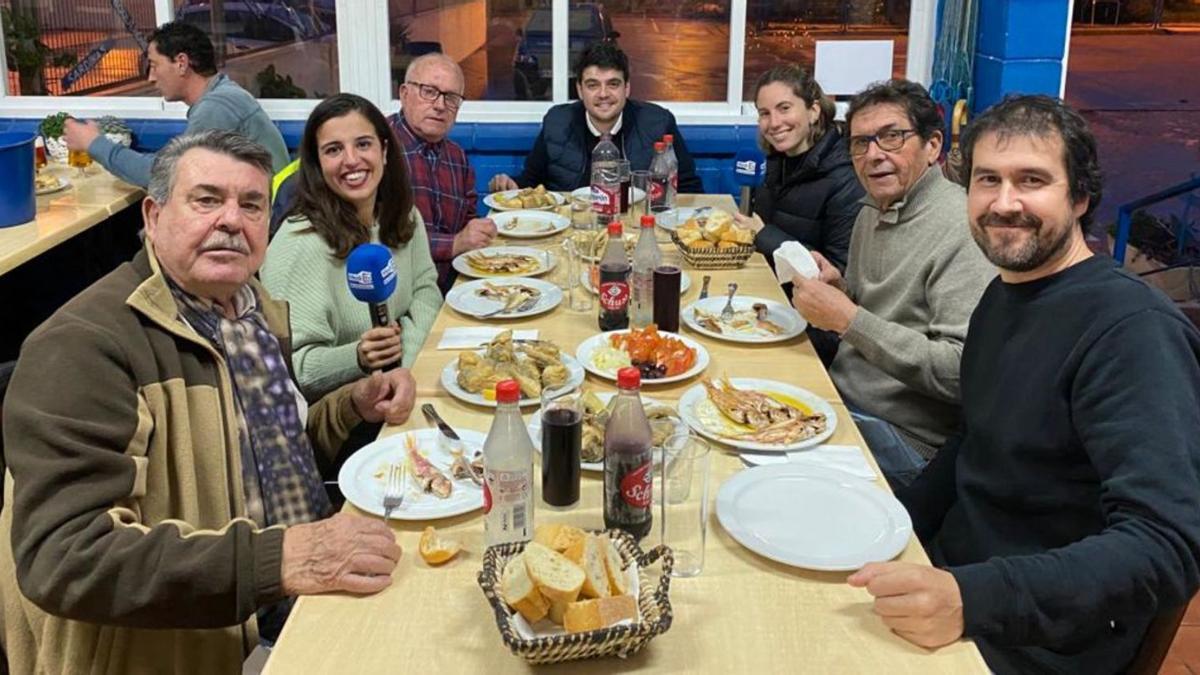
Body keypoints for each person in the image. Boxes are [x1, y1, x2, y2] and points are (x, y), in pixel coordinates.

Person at [0, 130, 414, 674]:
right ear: (152, 215)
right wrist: (284, 559)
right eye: (206, 199)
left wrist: (349, 406)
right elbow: (64, 558)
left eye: (250, 205)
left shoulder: (254, 309)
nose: (230, 220)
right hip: (189, 647)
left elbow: (265, 455)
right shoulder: (84, 344)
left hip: (299, 602)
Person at [849, 95, 1200, 675]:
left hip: (1035, 638)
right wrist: (892, 525)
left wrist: (972, 599)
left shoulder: (1132, 333)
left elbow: (1165, 547)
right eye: (988, 180)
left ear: (1080, 196)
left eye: (1031, 180)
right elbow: (974, 439)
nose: (1003, 203)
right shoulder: (1004, 292)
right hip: (949, 577)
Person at [789, 79, 993, 488]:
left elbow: (960, 373)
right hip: (843, 401)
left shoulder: (962, 228)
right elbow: (881, 314)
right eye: (861, 143)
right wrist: (841, 291)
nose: (874, 155)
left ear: (932, 146)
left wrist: (847, 318)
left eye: (892, 137)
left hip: (904, 441)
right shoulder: (872, 209)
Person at [262, 94, 442, 402]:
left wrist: (404, 368)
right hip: (340, 417)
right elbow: (294, 371)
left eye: (363, 144)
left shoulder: (404, 215)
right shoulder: (298, 245)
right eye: (334, 150)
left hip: (403, 386)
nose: (351, 160)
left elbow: (426, 290)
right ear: (317, 163)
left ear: (384, 151)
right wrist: (358, 357)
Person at [62, 21, 290, 188]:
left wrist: (93, 143)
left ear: (181, 63)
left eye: (153, 65)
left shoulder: (216, 108)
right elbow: (171, 163)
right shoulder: (223, 96)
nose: (150, 78)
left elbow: (163, 177)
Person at [488, 42, 703, 193]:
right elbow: (530, 183)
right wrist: (510, 185)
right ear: (580, 90)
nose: (603, 94)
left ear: (627, 88)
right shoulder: (557, 121)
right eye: (593, 85)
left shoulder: (658, 122)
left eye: (613, 84)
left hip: (638, 229)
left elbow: (689, 188)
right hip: (571, 233)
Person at [736, 64, 864, 271]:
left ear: (813, 111)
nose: (774, 123)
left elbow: (836, 271)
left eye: (784, 108)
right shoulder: (774, 161)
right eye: (764, 113)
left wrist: (763, 234)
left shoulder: (845, 177)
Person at [390, 53, 497, 293]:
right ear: (404, 94)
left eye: (451, 98)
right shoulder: (377, 150)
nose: (440, 105)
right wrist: (455, 243)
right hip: (398, 294)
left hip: (452, 288)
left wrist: (478, 232)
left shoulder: (456, 156)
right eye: (429, 91)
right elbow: (379, 239)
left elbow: (468, 220)